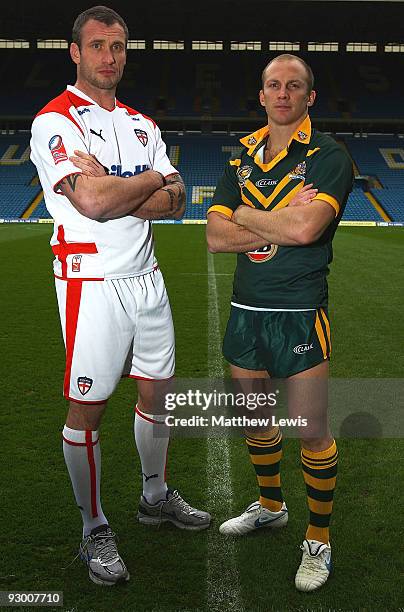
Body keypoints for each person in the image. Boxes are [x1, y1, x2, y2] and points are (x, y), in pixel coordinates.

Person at [30, 5, 210, 587]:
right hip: (91, 281)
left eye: (118, 45)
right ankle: (93, 528)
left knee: (158, 394)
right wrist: (149, 180)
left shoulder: (141, 123)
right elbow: (93, 204)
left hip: (147, 276)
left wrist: (121, 181)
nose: (110, 56)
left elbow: (177, 202)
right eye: (98, 45)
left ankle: (153, 496)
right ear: (75, 53)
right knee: (90, 407)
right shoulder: (55, 122)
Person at [207, 54, 353, 592]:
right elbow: (214, 236)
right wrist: (276, 218)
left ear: (309, 97)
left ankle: (319, 539)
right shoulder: (242, 154)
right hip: (247, 310)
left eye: (295, 86)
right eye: (274, 85)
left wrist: (244, 213)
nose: (283, 93)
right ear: (262, 94)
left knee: (311, 432)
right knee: (254, 421)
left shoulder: (329, 156)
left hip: (298, 313)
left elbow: (309, 229)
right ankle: (271, 505)